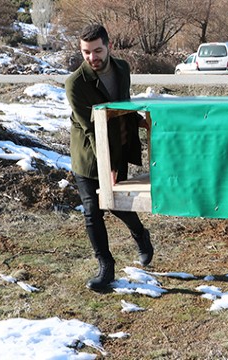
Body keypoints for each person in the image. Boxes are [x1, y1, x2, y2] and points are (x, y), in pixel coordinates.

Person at [65, 24, 153, 292]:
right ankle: (106, 267)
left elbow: (122, 106)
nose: (92, 57)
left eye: (97, 50)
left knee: (117, 204)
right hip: (89, 156)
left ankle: (141, 236)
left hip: (118, 147)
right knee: (93, 211)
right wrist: (107, 166)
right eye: (86, 52)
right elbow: (91, 128)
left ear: (109, 46)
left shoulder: (122, 69)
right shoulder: (76, 84)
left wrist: (143, 121)